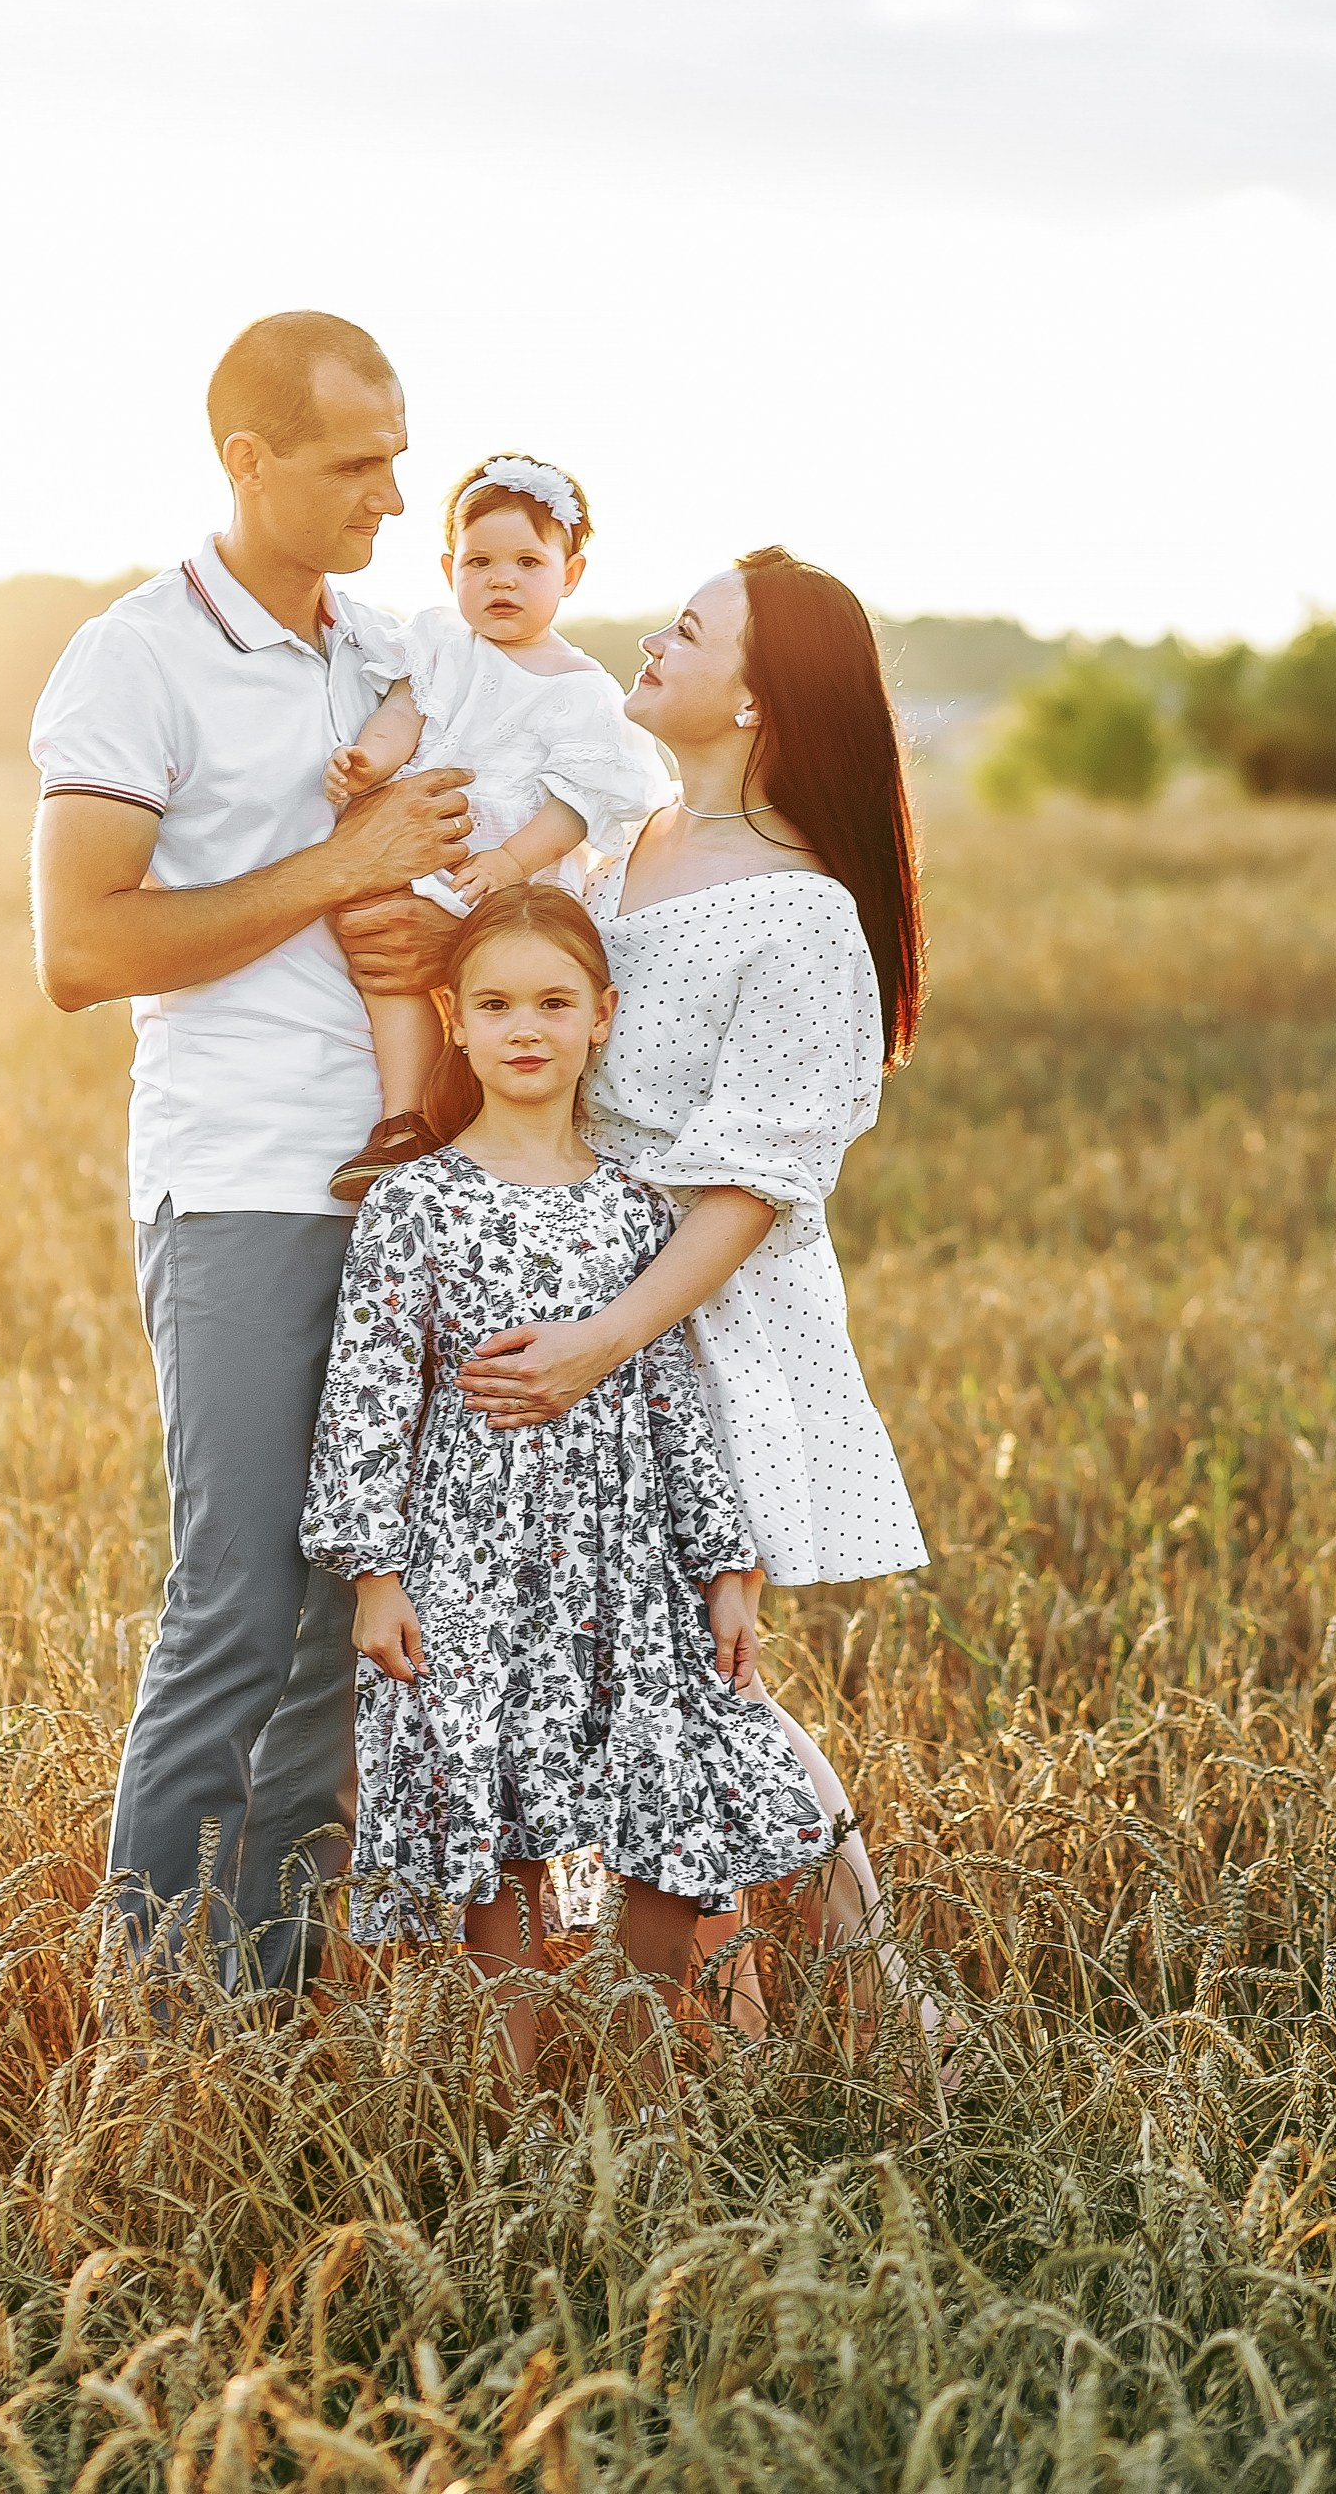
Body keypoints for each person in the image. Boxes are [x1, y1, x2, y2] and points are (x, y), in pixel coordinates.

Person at [28, 310, 470, 1992]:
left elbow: (427, 898)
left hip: (404, 1192)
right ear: (250, 461)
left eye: (398, 452)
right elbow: (80, 951)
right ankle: (151, 2013)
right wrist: (334, 862)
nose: (391, 490)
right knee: (233, 1599)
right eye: (359, 461)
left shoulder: (386, 662)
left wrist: (424, 938)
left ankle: (264, 2002)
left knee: (343, 1625)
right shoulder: (134, 658)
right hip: (240, 1191)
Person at [451, 544, 931, 2011]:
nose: (655, 644)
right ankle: (630, 1988)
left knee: (695, 1688)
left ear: (759, 699)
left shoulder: (800, 908)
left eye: (691, 631)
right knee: (598, 1674)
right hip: (589, 1298)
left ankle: (880, 2011)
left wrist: (608, 1339)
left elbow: (753, 1186)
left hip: (693, 1326)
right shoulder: (627, 845)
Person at [299, 887, 838, 2073]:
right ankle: (520, 2103)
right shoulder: (416, 1201)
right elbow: (372, 1396)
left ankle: (636, 2101)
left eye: (552, 1002)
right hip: (473, 1573)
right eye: (493, 1004)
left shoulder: (639, 1210)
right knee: (506, 1840)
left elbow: (669, 1397)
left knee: (626, 1823)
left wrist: (724, 1568)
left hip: (622, 1573)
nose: (523, 1028)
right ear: (449, 1018)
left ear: (602, 1016)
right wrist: (373, 1576)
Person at [322, 453, 668, 1203]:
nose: (500, 579)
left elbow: (577, 802)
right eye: (479, 562)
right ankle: (403, 1120)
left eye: (526, 562)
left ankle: (502, 1144)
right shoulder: (443, 646)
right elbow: (403, 714)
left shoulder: (580, 689)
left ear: (570, 574)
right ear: (450, 568)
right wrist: (368, 762)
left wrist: (511, 861)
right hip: (426, 858)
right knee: (392, 965)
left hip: (512, 877)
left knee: (504, 1003)